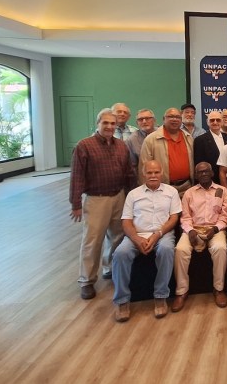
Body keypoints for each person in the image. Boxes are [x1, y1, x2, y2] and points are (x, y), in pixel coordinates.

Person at [70, 108, 135, 299]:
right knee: (93, 240)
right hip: (96, 199)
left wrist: (132, 197)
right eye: (105, 123)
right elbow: (77, 176)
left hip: (119, 196)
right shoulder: (85, 146)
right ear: (98, 123)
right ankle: (87, 280)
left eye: (112, 123)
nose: (109, 126)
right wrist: (75, 203)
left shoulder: (121, 146)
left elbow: (129, 172)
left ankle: (110, 268)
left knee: (117, 237)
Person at [112, 160, 181, 322]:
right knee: (120, 253)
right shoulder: (133, 194)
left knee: (166, 249)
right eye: (149, 172)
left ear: (161, 173)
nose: (153, 175)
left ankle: (160, 295)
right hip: (137, 234)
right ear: (143, 174)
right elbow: (126, 221)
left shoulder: (171, 192)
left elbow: (174, 218)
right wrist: (136, 239)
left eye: (156, 172)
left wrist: (157, 234)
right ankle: (122, 300)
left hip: (162, 233)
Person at [171, 162, 227, 312]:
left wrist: (215, 229)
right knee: (180, 250)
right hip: (193, 229)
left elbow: (225, 217)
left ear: (212, 173)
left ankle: (219, 289)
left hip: (215, 229)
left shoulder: (222, 191)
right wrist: (190, 230)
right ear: (196, 175)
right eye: (200, 172)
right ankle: (181, 291)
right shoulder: (189, 193)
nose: (203, 174)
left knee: (220, 248)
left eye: (206, 171)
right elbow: (185, 217)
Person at [139, 107, 194, 198]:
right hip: (162, 189)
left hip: (187, 187)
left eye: (177, 117)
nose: (174, 119)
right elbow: (143, 168)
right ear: (164, 119)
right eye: (171, 116)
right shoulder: (151, 140)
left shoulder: (188, 137)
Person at [193, 110, 227, 184]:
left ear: (222, 122)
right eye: (212, 120)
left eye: (218, 120)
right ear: (207, 122)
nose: (215, 122)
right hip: (210, 181)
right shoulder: (200, 140)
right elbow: (199, 164)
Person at [125, 108, 156, 176]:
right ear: (137, 123)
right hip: (143, 177)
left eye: (147, 118)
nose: (144, 121)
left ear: (154, 120)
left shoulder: (162, 134)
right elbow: (132, 166)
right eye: (140, 119)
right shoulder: (131, 140)